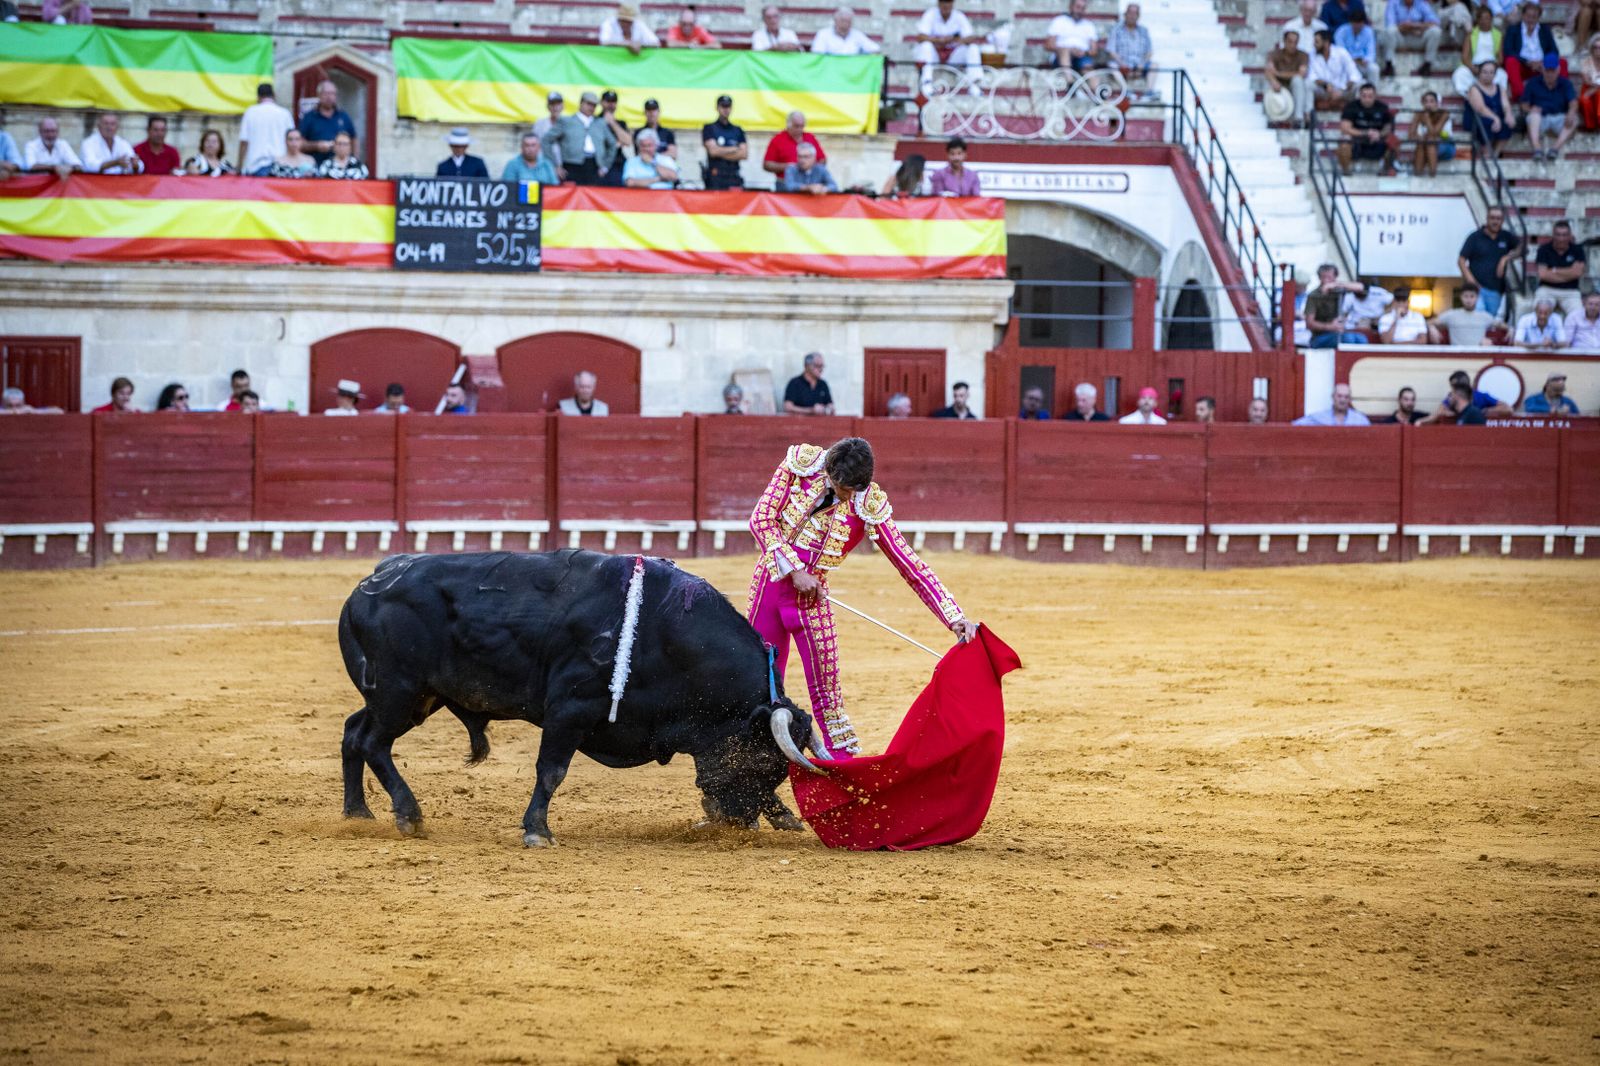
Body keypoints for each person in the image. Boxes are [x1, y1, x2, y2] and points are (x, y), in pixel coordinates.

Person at [746, 437, 978, 758]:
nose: (842, 495)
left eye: (850, 490)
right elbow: (761, 519)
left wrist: (954, 617)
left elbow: (910, 565)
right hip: (769, 587)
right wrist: (795, 570)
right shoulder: (801, 464)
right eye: (838, 486)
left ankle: (842, 778)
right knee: (758, 684)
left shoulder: (867, 504)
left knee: (828, 699)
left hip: (813, 603)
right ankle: (747, 767)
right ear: (827, 467)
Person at [1457, 204, 1520, 318]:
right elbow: (1461, 260)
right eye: (1492, 218)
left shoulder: (1506, 236)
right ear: (1487, 218)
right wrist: (1471, 281)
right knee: (1479, 318)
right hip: (1476, 290)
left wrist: (1506, 258)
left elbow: (1522, 248)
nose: (1495, 221)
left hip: (1495, 291)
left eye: (1498, 218)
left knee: (1489, 322)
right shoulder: (1475, 237)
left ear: (1502, 220)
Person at [546, 91, 620, 185]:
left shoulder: (600, 123)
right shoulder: (567, 121)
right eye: (589, 104)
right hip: (571, 165)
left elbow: (612, 143)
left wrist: (605, 166)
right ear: (581, 103)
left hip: (594, 165)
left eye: (594, 105)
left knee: (592, 194)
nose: (591, 108)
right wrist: (555, 165)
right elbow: (546, 140)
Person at [914, 0, 984, 91]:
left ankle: (975, 83)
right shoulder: (930, 14)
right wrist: (939, 40)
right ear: (938, 3)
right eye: (943, 2)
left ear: (952, 3)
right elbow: (920, 37)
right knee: (925, 46)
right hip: (935, 56)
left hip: (953, 56)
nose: (946, 5)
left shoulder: (959, 16)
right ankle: (926, 82)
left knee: (973, 48)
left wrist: (953, 40)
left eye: (948, 2)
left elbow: (970, 38)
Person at [1501, 2, 1562, 100]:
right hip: (1523, 65)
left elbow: (1554, 50)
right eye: (1528, 16)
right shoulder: (1513, 29)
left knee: (1562, 63)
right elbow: (1508, 51)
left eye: (1534, 17)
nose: (1531, 19)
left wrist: (1543, 62)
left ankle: (1559, 94)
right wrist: (1527, 62)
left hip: (1542, 67)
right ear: (1523, 15)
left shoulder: (1544, 29)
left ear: (1538, 18)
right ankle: (1521, 95)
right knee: (1510, 61)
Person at [1523, 54, 1580, 160]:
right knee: (1533, 116)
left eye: (1552, 70)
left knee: (1575, 119)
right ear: (1542, 69)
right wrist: (1531, 109)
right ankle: (1537, 149)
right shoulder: (1533, 83)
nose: (1550, 73)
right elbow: (1523, 105)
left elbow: (1573, 102)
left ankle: (1555, 148)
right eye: (1547, 70)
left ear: (1558, 70)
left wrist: (1571, 112)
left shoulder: (1565, 83)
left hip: (1559, 117)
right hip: (1541, 119)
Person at [1338, 82, 1399, 175]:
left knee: (1394, 140)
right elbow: (1345, 128)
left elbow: (1388, 127)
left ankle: (1386, 169)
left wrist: (1380, 134)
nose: (1367, 99)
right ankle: (1346, 171)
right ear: (1360, 96)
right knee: (1344, 140)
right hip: (1357, 140)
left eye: (1370, 96)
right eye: (1364, 96)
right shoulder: (1351, 106)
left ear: (1375, 96)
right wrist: (1366, 133)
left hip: (1377, 140)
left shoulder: (1382, 107)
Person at [237, 82, 295, 176]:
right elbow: (293, 141)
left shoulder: (250, 112)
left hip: (255, 166)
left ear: (258, 97)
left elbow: (244, 142)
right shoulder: (285, 114)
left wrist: (239, 166)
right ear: (274, 96)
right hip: (280, 166)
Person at [1304, 262, 1368, 346]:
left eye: (1329, 277)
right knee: (1348, 339)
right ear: (1319, 278)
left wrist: (1336, 284)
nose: (1326, 281)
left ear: (1335, 277)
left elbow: (1361, 287)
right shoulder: (1314, 295)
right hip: (1319, 337)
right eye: (1323, 277)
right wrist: (1330, 326)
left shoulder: (1339, 290)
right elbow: (1309, 323)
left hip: (1339, 333)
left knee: (1362, 339)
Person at [1463, 59, 1516, 157]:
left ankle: (1496, 152)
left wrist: (1509, 114)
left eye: (1491, 72)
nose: (1488, 75)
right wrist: (1495, 118)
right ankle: (1486, 153)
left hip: (1495, 117)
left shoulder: (1500, 88)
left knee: (1509, 123)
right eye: (1485, 72)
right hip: (1477, 118)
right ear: (1479, 73)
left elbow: (1505, 104)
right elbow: (1480, 108)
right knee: (1488, 123)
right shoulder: (1474, 88)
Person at [1532, 221, 1586, 317]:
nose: (1561, 238)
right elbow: (1543, 275)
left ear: (1570, 236)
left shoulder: (1577, 249)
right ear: (1553, 235)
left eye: (1564, 235)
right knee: (1541, 311)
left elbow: (1577, 273)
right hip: (1547, 289)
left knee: (1578, 316)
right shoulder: (1544, 249)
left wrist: (1553, 270)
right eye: (1558, 235)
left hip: (1571, 291)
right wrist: (1569, 272)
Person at [299, 79, 358, 166]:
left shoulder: (343, 116)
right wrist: (317, 145)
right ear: (319, 95)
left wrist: (354, 160)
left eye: (332, 93)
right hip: (316, 166)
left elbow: (354, 139)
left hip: (339, 168)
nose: (329, 97)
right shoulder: (309, 117)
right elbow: (299, 143)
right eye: (326, 93)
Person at [1378, 0, 1442, 77]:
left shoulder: (1421, 3)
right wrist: (1406, 28)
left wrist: (1415, 26)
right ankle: (1389, 64)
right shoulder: (1393, 3)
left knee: (1436, 31)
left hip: (1417, 37)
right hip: (1400, 38)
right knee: (1389, 31)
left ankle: (1427, 64)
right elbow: (1390, 24)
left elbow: (1435, 22)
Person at [1454, 4, 1504, 96]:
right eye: (1481, 18)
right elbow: (1465, 57)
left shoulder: (1498, 35)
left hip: (1491, 66)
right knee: (1460, 74)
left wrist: (1491, 70)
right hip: (1475, 66)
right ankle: (1470, 97)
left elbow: (1500, 58)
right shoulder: (1471, 34)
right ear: (1477, 20)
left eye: (1487, 18)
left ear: (1491, 19)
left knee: (1502, 75)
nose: (1484, 21)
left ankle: (1493, 96)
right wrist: (1473, 69)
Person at [1266, 30, 1313, 126]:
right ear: (1284, 41)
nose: (1292, 45)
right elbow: (1269, 71)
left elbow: (1301, 74)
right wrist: (1274, 80)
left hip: (1294, 86)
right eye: (1290, 42)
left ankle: (1298, 118)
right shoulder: (1274, 54)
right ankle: (1272, 117)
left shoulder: (1303, 55)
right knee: (1269, 83)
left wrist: (1278, 74)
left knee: (1298, 81)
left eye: (1295, 42)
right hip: (1279, 86)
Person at [701, 95, 747, 190]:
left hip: (733, 175)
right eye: (723, 106)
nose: (726, 110)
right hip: (716, 176)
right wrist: (734, 149)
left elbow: (743, 154)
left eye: (728, 106)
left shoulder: (737, 130)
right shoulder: (709, 128)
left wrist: (720, 151)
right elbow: (713, 152)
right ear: (717, 108)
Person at [763, 111, 826, 177]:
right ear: (788, 125)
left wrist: (810, 166)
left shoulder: (810, 137)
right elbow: (767, 165)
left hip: (809, 180)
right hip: (785, 182)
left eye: (802, 126)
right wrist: (788, 167)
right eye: (796, 126)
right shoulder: (777, 140)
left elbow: (822, 160)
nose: (799, 129)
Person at [1310, 29, 1361, 109]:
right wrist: (1325, 85)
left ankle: (1356, 111)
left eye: (1317, 42)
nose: (1314, 44)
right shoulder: (1312, 54)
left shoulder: (1341, 52)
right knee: (1308, 84)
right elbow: (1312, 76)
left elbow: (1354, 74)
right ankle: (1311, 112)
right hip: (1323, 90)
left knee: (1361, 84)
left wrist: (1342, 90)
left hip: (1343, 91)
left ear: (1326, 43)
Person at [1048, 0, 1104, 74]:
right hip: (1060, 59)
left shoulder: (1089, 25)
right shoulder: (1059, 21)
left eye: (1083, 8)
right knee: (1065, 51)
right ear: (1070, 7)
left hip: (1082, 57)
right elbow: (1048, 45)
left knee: (1087, 64)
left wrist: (1083, 52)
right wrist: (1070, 50)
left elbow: (1094, 50)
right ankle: (1070, 83)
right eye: (1078, 7)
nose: (1080, 11)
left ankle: (1096, 86)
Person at [1105, 3, 1154, 85]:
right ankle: (1125, 91)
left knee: (1154, 65)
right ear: (1125, 14)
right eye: (1130, 13)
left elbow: (1149, 52)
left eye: (1135, 13)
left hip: (1139, 65)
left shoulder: (1144, 31)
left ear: (1138, 16)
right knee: (1112, 65)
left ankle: (1149, 92)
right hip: (1122, 64)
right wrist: (1123, 65)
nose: (1132, 16)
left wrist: (1141, 65)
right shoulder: (1116, 30)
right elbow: (1111, 51)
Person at [1410, 90, 1454, 176]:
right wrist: (1418, 137)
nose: (1428, 104)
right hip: (1425, 144)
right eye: (1426, 101)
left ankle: (1432, 175)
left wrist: (1427, 120)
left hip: (1445, 145)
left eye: (1431, 101)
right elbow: (1411, 134)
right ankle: (1418, 175)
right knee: (1422, 142)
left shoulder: (1444, 113)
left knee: (1430, 140)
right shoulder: (1419, 114)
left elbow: (1434, 133)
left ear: (1437, 103)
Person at [598, 90, 634, 187]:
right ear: (601, 102)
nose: (611, 105)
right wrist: (616, 143)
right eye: (608, 101)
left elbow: (628, 141)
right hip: (599, 163)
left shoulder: (621, 123)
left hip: (617, 164)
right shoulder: (595, 120)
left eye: (613, 102)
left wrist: (613, 123)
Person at [1337, 8, 1381, 83]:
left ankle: (1372, 91)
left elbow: (1371, 52)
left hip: (1362, 63)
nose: (1357, 26)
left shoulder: (1369, 32)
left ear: (1363, 22)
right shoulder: (1341, 31)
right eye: (1355, 23)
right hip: (1347, 63)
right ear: (1350, 22)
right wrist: (1351, 60)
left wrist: (1366, 60)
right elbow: (1340, 51)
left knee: (1374, 68)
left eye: (1359, 23)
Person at [812, 5, 880, 54]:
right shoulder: (823, 34)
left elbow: (875, 49)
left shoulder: (857, 35)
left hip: (852, 72)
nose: (845, 24)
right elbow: (817, 55)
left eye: (848, 21)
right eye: (842, 21)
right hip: (831, 72)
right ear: (835, 21)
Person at [1293, 383, 1371, 424]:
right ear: (1333, 397)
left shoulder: (1360, 420)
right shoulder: (1319, 417)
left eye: (1346, 397)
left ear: (1349, 400)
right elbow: (1294, 426)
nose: (1342, 400)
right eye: (1339, 396)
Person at [533, 93, 567, 174]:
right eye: (552, 104)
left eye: (558, 104)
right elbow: (535, 145)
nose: (555, 107)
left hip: (565, 167)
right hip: (543, 166)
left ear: (562, 106)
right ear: (548, 106)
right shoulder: (540, 124)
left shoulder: (569, 123)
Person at [1579, 32, 1600, 132]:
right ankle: (1591, 126)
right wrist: (1595, 87)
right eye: (1596, 47)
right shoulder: (1586, 61)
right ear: (1592, 49)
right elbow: (1586, 80)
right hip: (1589, 87)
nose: (1598, 50)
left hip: (1597, 89)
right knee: (1585, 99)